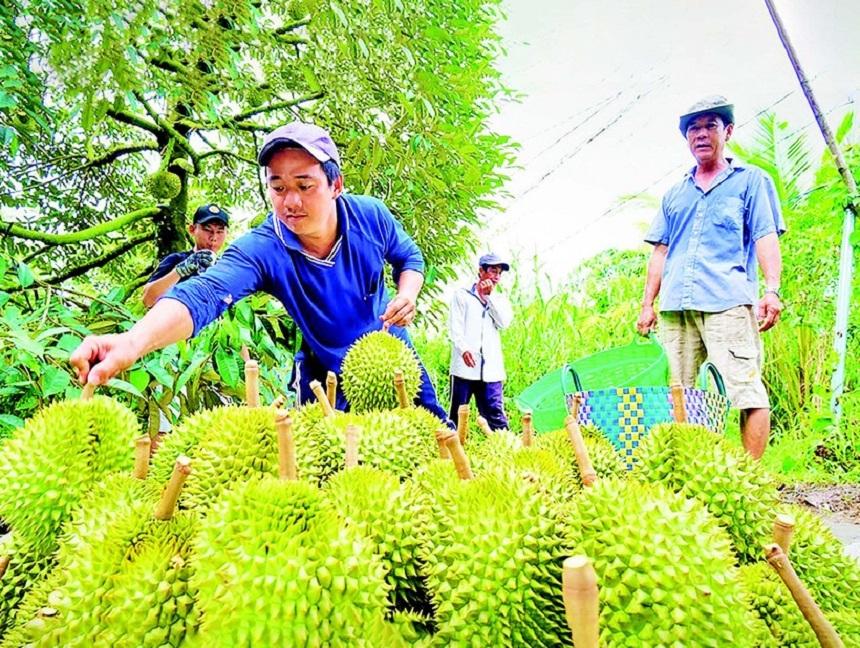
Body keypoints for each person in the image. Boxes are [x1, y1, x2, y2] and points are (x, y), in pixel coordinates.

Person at [71, 121, 452, 426]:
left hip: (392, 351)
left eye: (304, 185)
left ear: (335, 185)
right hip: (323, 368)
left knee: (434, 434)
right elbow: (204, 294)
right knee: (335, 466)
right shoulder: (263, 248)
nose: (291, 201)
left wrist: (407, 294)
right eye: (278, 187)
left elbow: (409, 258)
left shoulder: (369, 216)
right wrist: (132, 342)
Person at [635, 95, 785, 460]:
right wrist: (647, 304)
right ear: (686, 137)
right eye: (693, 128)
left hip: (727, 302)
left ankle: (749, 477)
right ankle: (692, 469)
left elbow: (765, 235)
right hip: (676, 307)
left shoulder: (751, 181)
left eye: (710, 126)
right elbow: (661, 251)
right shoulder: (675, 194)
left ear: (727, 131)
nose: (701, 134)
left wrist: (772, 290)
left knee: (745, 391)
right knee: (681, 395)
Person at [448, 253, 514, 431]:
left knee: (495, 414)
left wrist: (489, 297)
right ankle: (453, 446)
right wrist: (464, 349)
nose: (496, 276)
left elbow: (503, 323)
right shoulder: (462, 295)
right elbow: (455, 329)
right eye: (493, 271)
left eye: (499, 273)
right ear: (481, 271)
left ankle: (506, 447)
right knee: (457, 413)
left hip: (491, 369)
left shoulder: (500, 300)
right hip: (465, 367)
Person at [141, 204, 230, 308]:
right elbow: (148, 300)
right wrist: (179, 271)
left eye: (219, 232)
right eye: (207, 229)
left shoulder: (226, 270)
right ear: (192, 229)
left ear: (227, 233)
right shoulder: (176, 260)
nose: (214, 237)